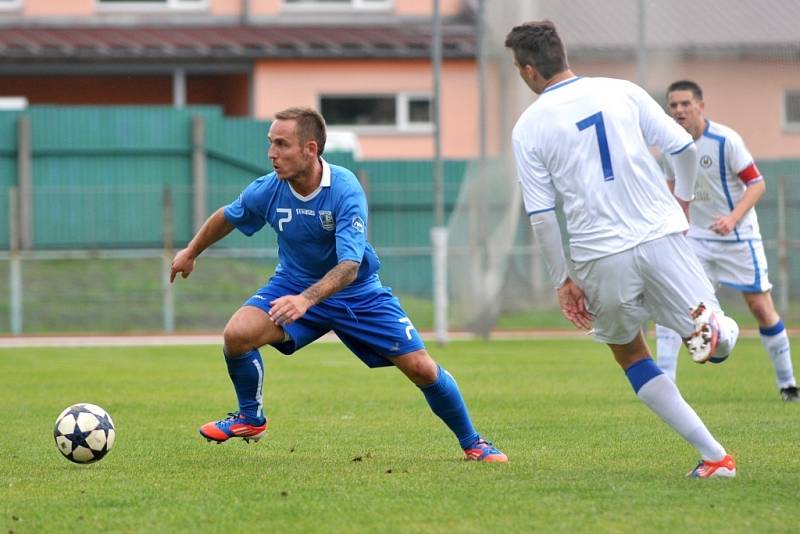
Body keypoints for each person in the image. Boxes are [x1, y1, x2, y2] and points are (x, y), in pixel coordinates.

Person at [169, 106, 507, 462]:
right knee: (237, 335)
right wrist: (191, 251)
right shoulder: (268, 189)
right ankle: (250, 418)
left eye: (282, 144)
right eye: (271, 143)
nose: (271, 153)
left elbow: (349, 265)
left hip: (357, 294)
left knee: (421, 367)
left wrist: (305, 301)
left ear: (310, 149)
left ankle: (475, 443)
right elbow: (228, 216)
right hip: (293, 284)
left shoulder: (344, 189)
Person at [505, 21, 740, 478]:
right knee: (716, 344)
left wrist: (562, 279)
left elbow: (541, 216)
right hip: (659, 231)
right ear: (563, 53)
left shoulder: (529, 126)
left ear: (529, 70)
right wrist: (684, 201)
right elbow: (683, 150)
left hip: (599, 253)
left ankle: (716, 457)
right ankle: (716, 326)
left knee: (630, 352)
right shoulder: (621, 91)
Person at [655, 80, 798, 402]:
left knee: (760, 307)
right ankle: (667, 385)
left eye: (685, 104)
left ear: (700, 106)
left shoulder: (726, 140)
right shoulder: (669, 145)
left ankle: (788, 384)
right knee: (673, 301)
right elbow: (671, 188)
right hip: (695, 240)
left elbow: (757, 184)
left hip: (737, 237)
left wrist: (733, 218)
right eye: (673, 105)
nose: (679, 110)